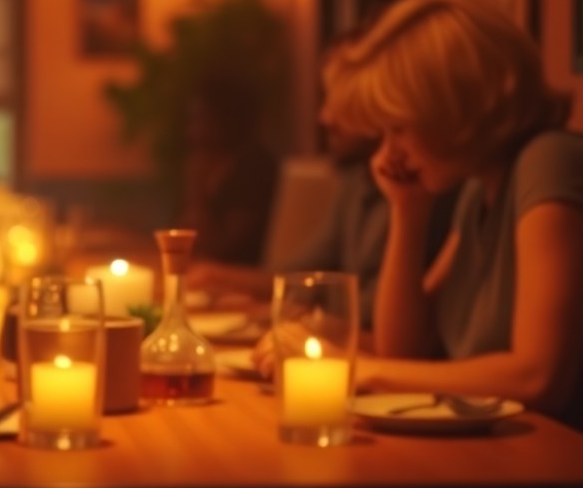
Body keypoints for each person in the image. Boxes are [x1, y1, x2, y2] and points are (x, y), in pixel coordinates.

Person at [267, 0, 583, 443]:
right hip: (507, 456)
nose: (388, 153)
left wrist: (361, 371)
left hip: (577, 469)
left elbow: (538, 378)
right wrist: (408, 212)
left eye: (398, 128)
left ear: (453, 106)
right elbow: (406, 347)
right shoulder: (481, 190)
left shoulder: (551, 163)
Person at [186, 71, 456, 330]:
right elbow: (301, 274)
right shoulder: (356, 184)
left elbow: (387, 329)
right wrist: (216, 277)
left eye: (339, 100)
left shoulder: (431, 191)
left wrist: (305, 317)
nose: (324, 117)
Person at [177, 74, 278, 266]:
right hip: (212, 275)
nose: (191, 130)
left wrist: (196, 192)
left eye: (200, 118)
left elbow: (222, 250)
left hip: (241, 280)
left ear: (226, 118)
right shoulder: (207, 163)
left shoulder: (255, 167)